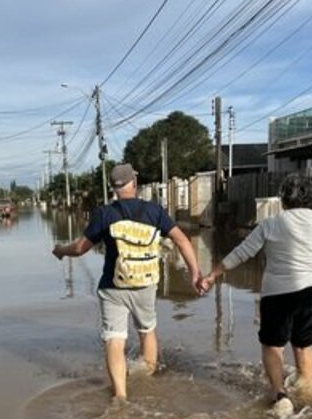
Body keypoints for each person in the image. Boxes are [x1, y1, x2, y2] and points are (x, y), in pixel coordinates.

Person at [199, 175, 312, 414]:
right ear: (311, 198)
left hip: (278, 293)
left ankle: (279, 394)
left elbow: (242, 253)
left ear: (283, 199)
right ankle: (309, 390)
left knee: (273, 345)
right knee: (304, 344)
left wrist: (212, 275)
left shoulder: (271, 223)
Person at [52, 163, 203, 400]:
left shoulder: (104, 213)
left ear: (113, 188)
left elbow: (80, 248)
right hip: (145, 285)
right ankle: (148, 383)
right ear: (134, 182)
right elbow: (182, 240)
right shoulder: (154, 211)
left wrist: (61, 250)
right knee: (147, 330)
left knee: (114, 338)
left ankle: (120, 396)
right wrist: (194, 273)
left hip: (113, 287)